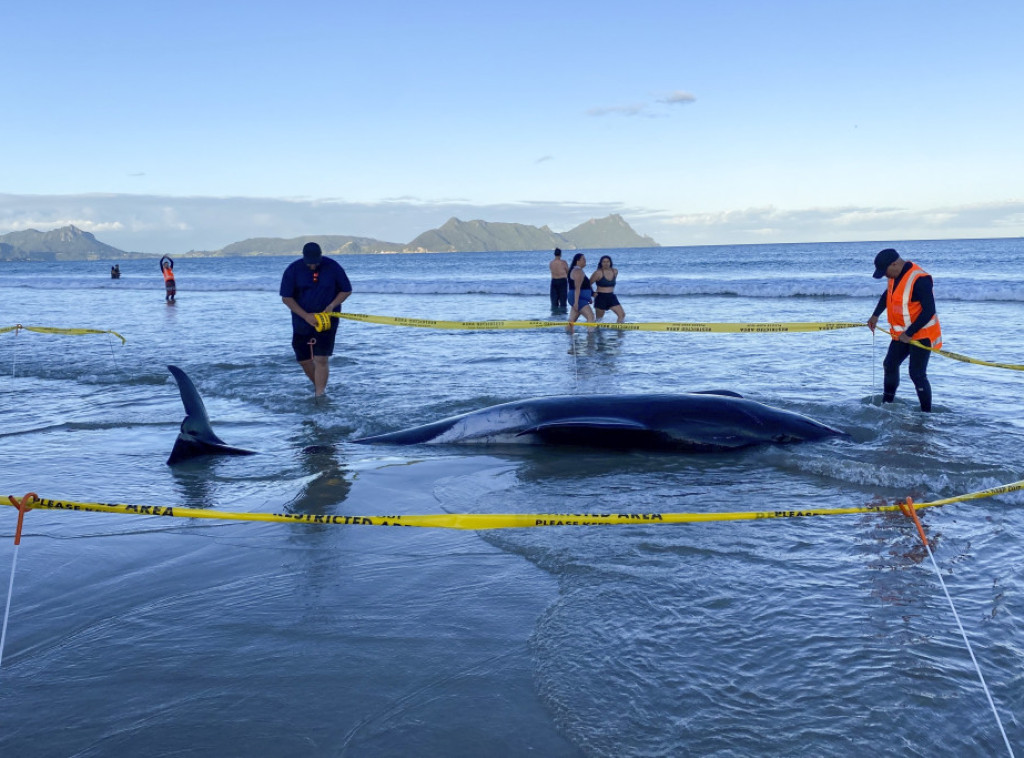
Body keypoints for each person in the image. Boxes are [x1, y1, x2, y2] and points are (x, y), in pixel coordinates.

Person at [866, 248, 942, 412]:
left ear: (894, 264)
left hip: (921, 334)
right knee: (889, 364)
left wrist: (909, 333)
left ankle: (926, 414)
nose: (885, 276)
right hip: (901, 334)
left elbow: (929, 311)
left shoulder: (920, 279)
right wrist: (875, 315)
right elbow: (888, 294)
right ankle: (887, 405)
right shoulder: (895, 275)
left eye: (885, 272)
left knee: (916, 374)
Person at [280, 241, 352, 398]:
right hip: (301, 319)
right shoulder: (293, 269)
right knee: (304, 359)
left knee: (321, 358)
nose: (313, 266)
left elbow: (346, 290)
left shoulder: (333, 267)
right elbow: (286, 297)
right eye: (309, 263)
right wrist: (306, 316)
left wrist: (332, 305)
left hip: (327, 318)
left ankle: (320, 394)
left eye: (316, 263)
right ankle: (318, 385)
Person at [590, 255, 625, 323]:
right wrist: (592, 293)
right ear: (601, 263)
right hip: (601, 297)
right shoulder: (598, 273)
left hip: (611, 296)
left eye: (607, 262)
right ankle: (596, 332)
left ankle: (619, 331)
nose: (606, 263)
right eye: (604, 262)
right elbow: (588, 284)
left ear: (610, 262)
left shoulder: (615, 271)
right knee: (599, 319)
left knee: (622, 315)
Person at [566, 252, 595, 332]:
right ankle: (590, 339)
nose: (585, 261)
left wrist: (588, 298)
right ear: (577, 261)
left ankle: (568, 337)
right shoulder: (577, 271)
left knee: (571, 321)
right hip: (578, 298)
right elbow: (577, 288)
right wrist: (576, 303)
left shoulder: (577, 270)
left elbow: (583, 286)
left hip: (579, 298)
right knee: (591, 316)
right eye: (583, 259)